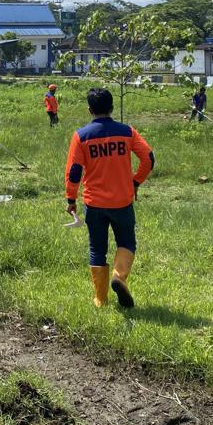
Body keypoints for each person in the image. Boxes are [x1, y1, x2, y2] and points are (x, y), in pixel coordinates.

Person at [64, 88, 154, 309]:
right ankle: (119, 277)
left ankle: (100, 300)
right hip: (122, 202)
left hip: (94, 204)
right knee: (126, 243)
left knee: (97, 249)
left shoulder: (81, 136)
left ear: (89, 110)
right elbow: (148, 158)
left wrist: (71, 198)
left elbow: (74, 171)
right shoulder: (127, 132)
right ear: (112, 108)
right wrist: (135, 182)